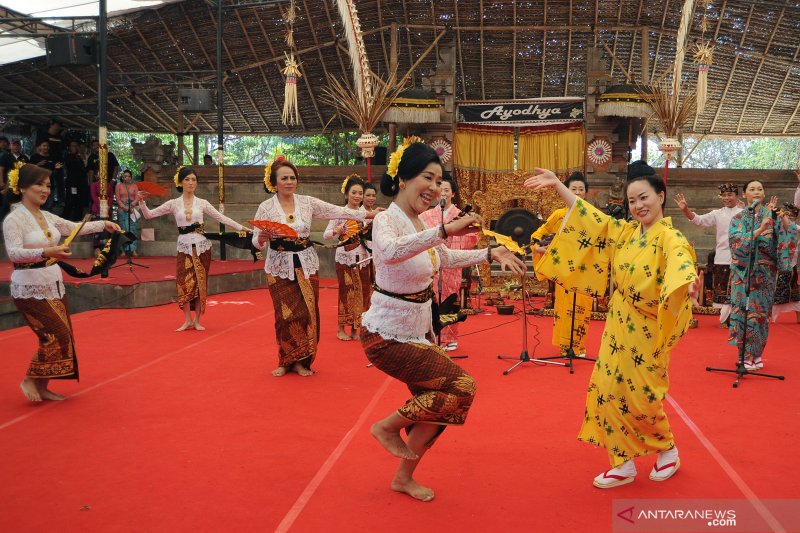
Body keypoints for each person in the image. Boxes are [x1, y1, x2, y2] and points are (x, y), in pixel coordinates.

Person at [363, 140, 525, 502]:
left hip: (418, 331)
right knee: (461, 387)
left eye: (439, 181)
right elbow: (390, 253)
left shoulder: (419, 221)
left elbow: (442, 258)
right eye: (427, 178)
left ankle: (404, 478)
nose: (434, 189)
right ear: (403, 179)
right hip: (385, 335)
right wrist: (443, 231)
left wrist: (489, 251)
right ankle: (386, 427)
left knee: (443, 404)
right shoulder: (386, 220)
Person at [525, 161, 698, 489]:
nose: (638, 206)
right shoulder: (628, 232)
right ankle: (623, 462)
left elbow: (681, 262)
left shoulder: (670, 237)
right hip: (620, 321)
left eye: (644, 198)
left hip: (649, 328)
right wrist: (558, 186)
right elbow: (592, 219)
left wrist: (685, 284)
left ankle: (667, 450)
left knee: (643, 396)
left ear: (661, 197)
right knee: (607, 390)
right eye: (632, 201)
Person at [252, 157, 380, 377]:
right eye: (284, 178)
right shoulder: (265, 208)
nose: (289, 182)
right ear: (274, 181)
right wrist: (261, 238)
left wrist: (369, 214)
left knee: (307, 313)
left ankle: (303, 361)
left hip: (307, 264)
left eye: (292, 177)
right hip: (278, 266)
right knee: (284, 315)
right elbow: (256, 242)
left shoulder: (307, 203)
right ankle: (285, 360)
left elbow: (338, 211)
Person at [2, 163, 120, 402]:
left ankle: (42, 386)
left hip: (53, 282)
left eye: (47, 185)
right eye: (39, 185)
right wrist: (48, 251)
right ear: (22, 187)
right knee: (54, 334)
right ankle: (29, 378)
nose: (45, 190)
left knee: (62, 334)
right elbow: (14, 253)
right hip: (28, 286)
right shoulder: (13, 219)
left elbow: (73, 227)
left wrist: (103, 224)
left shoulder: (46, 215)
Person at [138, 166, 248, 331]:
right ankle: (187, 320)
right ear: (180, 182)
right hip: (184, 247)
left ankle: (197, 320)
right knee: (184, 283)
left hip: (202, 247)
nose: (190, 183)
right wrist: (141, 201)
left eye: (193, 180)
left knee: (200, 284)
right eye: (187, 179)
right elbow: (149, 215)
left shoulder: (202, 203)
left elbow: (221, 217)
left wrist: (242, 228)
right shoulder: (173, 204)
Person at [727, 180, 798, 370]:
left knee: (759, 315)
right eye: (752, 189)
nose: (756, 192)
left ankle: (757, 354)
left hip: (764, 275)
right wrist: (759, 229)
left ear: (764, 193)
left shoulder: (773, 217)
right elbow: (736, 245)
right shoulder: (738, 218)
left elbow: (790, 234)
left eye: (760, 189)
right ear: (744, 194)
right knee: (743, 313)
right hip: (743, 275)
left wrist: (781, 219)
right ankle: (745, 355)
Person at [528, 172, 594, 358]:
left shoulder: (591, 216)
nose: (578, 193)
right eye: (573, 189)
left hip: (585, 270)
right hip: (564, 270)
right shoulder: (558, 215)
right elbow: (538, 234)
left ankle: (579, 346)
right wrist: (539, 248)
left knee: (582, 307)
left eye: (581, 190)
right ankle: (565, 345)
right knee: (564, 308)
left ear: (586, 194)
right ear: (565, 191)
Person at [419, 173, 479, 351]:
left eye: (447, 190)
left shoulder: (461, 215)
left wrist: (452, 240)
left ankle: (449, 338)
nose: (443, 193)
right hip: (431, 265)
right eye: (440, 190)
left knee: (449, 298)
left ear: (453, 193)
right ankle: (431, 334)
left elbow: (472, 237)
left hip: (451, 264)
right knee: (431, 299)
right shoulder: (426, 215)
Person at [674, 183, 743, 325]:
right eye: (724, 195)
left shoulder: (744, 213)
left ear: (737, 196)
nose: (727, 198)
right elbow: (698, 220)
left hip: (741, 258)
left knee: (739, 289)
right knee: (722, 290)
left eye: (730, 194)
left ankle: (737, 320)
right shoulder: (717, 214)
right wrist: (685, 209)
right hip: (723, 257)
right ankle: (725, 320)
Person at [323, 174, 371, 341]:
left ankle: (356, 329)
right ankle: (340, 328)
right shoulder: (338, 213)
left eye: (360, 193)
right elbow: (326, 235)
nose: (357, 196)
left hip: (363, 258)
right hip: (344, 258)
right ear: (346, 194)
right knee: (346, 293)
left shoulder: (366, 214)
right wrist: (336, 231)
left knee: (363, 293)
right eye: (354, 192)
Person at [771, 202, 800, 323]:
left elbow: (791, 227)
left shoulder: (797, 228)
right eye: (786, 214)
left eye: (791, 215)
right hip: (776, 265)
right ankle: (770, 317)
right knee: (775, 292)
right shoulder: (776, 228)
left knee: (795, 294)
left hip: (791, 266)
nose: (788, 217)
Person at [116, 170, 140, 256]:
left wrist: (132, 205)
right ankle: (123, 250)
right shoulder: (119, 186)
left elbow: (137, 197)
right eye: (125, 176)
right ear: (122, 177)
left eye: (129, 176)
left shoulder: (134, 186)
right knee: (123, 229)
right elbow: (118, 199)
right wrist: (124, 207)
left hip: (132, 208)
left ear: (131, 177)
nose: (127, 178)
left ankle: (133, 250)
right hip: (122, 209)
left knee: (133, 229)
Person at [63, 140, 88, 221]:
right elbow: (71, 165)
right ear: (70, 147)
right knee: (70, 200)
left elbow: (84, 170)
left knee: (79, 202)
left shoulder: (80, 157)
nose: (75, 147)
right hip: (72, 184)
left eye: (76, 146)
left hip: (81, 184)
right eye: (73, 146)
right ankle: (66, 218)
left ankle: (77, 219)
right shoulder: (68, 156)